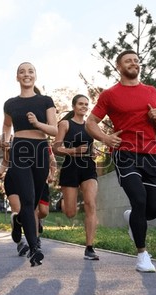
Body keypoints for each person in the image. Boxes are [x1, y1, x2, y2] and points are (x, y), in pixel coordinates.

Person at [85, 49, 156, 272]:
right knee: (140, 200)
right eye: (128, 61)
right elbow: (91, 122)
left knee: (153, 209)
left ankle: (133, 218)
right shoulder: (110, 94)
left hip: (151, 154)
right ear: (119, 67)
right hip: (125, 153)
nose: (133, 63)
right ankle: (142, 256)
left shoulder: (151, 91)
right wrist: (105, 138)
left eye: (136, 60)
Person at [2, 62, 58, 266]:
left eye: (30, 71)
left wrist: (37, 124)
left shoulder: (45, 101)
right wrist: (5, 141)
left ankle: (18, 221)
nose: (26, 74)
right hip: (20, 149)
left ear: (35, 76)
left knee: (32, 202)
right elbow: (7, 127)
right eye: (22, 72)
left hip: (41, 149)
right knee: (27, 199)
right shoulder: (10, 103)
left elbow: (54, 130)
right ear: (17, 77)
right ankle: (34, 248)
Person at [53, 94, 100, 260]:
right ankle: (64, 201)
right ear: (74, 106)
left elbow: (92, 145)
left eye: (86, 104)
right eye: (81, 104)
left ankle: (89, 247)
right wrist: (73, 151)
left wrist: (92, 152)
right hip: (70, 167)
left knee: (91, 203)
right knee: (71, 213)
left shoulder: (91, 125)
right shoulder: (65, 124)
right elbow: (56, 148)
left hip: (88, 167)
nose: (84, 107)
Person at [0, 145, 56, 255]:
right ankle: (24, 243)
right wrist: (0, 172)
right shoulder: (14, 142)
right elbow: (6, 160)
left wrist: (52, 174)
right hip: (14, 178)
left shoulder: (43, 143)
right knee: (21, 210)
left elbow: (53, 161)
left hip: (38, 179)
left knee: (42, 212)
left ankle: (27, 222)